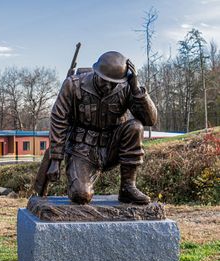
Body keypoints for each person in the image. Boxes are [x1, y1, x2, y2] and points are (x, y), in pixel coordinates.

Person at [46, 51, 157, 204]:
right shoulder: (73, 85)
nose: (108, 86)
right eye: (105, 80)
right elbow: (59, 120)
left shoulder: (126, 88)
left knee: (135, 127)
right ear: (96, 72)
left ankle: (128, 188)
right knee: (80, 195)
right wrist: (55, 160)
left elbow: (150, 120)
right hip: (82, 150)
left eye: (113, 82)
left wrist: (137, 90)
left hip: (112, 147)